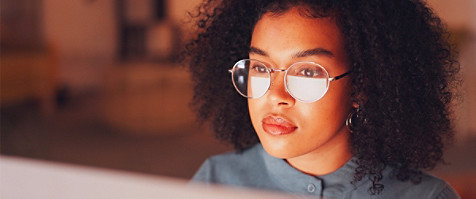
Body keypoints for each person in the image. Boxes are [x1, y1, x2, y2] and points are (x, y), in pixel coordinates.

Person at [185, 0, 460, 198]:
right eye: (260, 67)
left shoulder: (426, 196)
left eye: (307, 72)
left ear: (362, 85)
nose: (276, 95)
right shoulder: (214, 181)